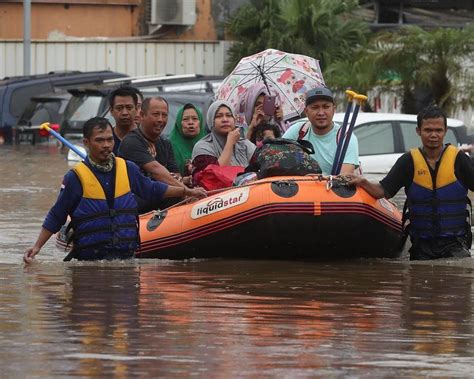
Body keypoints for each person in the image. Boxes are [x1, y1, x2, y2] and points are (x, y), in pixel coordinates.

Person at [23, 117, 206, 263]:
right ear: (86, 142)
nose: (106, 145)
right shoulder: (75, 178)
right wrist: (37, 246)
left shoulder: (128, 168)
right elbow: (57, 214)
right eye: (99, 140)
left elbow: (153, 189)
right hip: (89, 262)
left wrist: (187, 192)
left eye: (110, 139)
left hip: (125, 259)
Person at [348, 105, 474, 260]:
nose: (433, 135)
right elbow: (383, 191)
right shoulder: (408, 161)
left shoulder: (459, 159)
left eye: (438, 130)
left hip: (456, 245)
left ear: (445, 131)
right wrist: (363, 182)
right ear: (418, 131)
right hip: (421, 247)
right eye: (428, 130)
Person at [118, 96, 188, 212]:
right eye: (155, 114)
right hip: (136, 207)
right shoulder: (131, 142)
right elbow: (156, 171)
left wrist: (184, 183)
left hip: (164, 207)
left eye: (164, 115)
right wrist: (187, 191)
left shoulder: (165, 143)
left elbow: (176, 177)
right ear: (141, 115)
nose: (160, 119)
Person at [282, 86, 359, 175]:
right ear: (306, 111)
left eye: (326, 107)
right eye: (315, 107)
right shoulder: (297, 131)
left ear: (334, 109)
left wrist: (315, 179)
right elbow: (279, 159)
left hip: (333, 188)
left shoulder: (346, 137)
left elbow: (344, 178)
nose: (321, 113)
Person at [191, 100, 256, 179]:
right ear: (211, 121)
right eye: (219, 116)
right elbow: (215, 176)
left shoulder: (245, 144)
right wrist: (230, 143)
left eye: (229, 115)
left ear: (234, 119)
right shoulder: (203, 147)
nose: (225, 119)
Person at [169, 103, 207, 176]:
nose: (190, 123)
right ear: (179, 123)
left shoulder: (209, 143)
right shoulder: (169, 146)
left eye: (195, 119)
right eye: (185, 119)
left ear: (200, 122)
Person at [108, 87, 138, 155]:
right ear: (111, 110)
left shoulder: (146, 138)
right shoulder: (106, 140)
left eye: (129, 108)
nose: (125, 113)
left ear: (136, 109)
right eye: (119, 108)